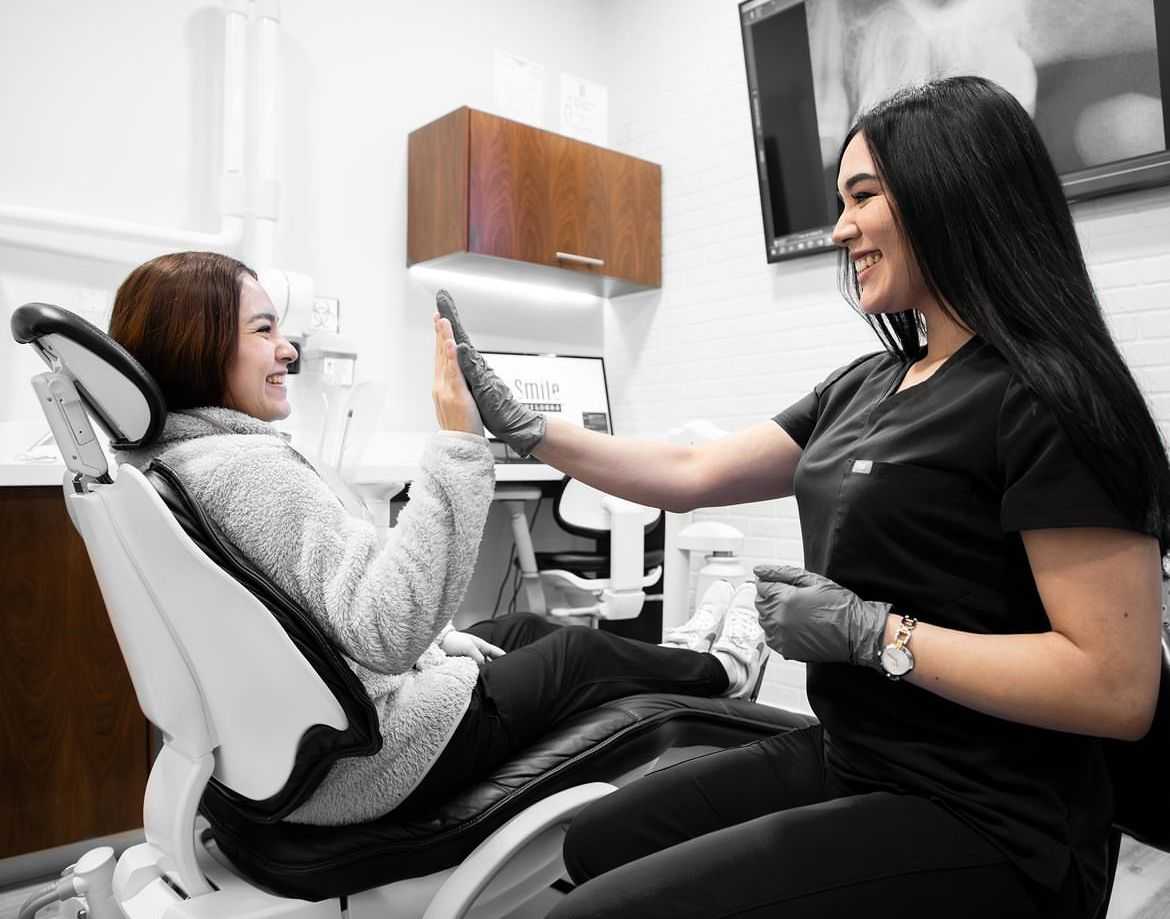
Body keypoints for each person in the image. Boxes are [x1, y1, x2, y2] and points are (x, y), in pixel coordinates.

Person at [440, 76, 1169, 918]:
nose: (840, 228)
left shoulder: (1051, 397)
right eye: (840, 202)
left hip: (994, 811)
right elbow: (690, 469)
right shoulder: (869, 382)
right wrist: (531, 430)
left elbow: (1115, 688)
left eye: (863, 196)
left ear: (950, 189)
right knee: (596, 840)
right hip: (856, 754)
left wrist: (871, 633)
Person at [106, 250, 769, 827]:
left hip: (296, 757)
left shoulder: (176, 464)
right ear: (198, 343)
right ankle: (723, 672)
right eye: (263, 329)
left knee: (522, 628)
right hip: (373, 759)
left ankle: (683, 659)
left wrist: (436, 643)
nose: (289, 349)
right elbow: (387, 631)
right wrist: (457, 439)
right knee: (575, 653)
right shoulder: (250, 470)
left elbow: (302, 616)